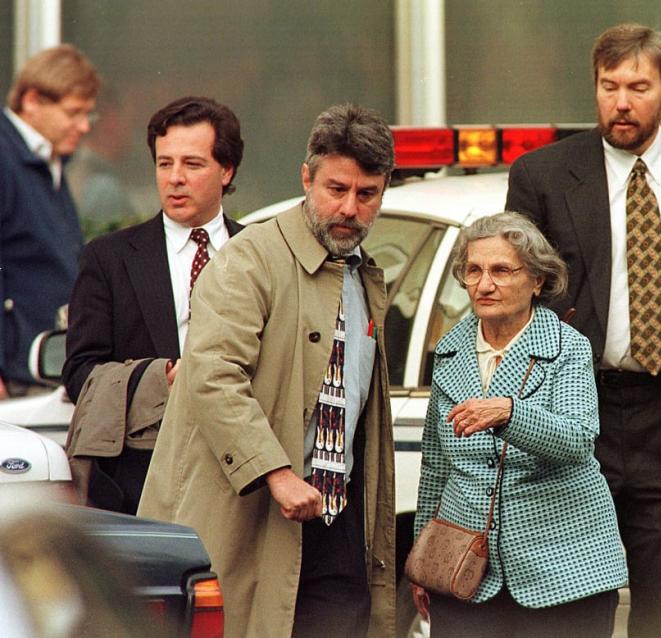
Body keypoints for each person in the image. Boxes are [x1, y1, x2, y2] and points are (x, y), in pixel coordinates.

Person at [505, 23, 661, 637]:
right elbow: (512, 307)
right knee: (575, 607)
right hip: (575, 414)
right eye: (608, 86)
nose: (621, 101)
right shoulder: (543, 177)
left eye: (637, 86)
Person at [138, 104, 396, 638]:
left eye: (366, 194)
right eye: (335, 189)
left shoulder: (365, 275)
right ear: (306, 178)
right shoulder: (248, 260)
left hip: (337, 522)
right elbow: (212, 376)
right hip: (251, 515)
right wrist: (277, 475)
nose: (349, 208)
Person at [410, 212, 628, 638]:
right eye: (474, 270)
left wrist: (510, 411)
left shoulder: (568, 347)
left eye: (501, 271)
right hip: (465, 572)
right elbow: (435, 467)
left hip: (563, 573)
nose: (484, 284)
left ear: (537, 281)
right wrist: (424, 558)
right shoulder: (450, 350)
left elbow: (578, 439)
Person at [61, 96, 245, 515]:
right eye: (165, 164)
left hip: (241, 480)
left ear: (226, 170)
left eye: (192, 164)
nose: (175, 179)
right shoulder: (108, 258)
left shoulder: (260, 254)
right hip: (142, 482)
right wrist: (159, 378)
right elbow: (79, 374)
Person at [0, 44, 100, 398]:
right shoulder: (6, 156)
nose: (84, 126)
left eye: (88, 114)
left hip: (43, 369)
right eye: (73, 112)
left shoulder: (49, 158)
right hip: (14, 377)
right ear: (31, 101)